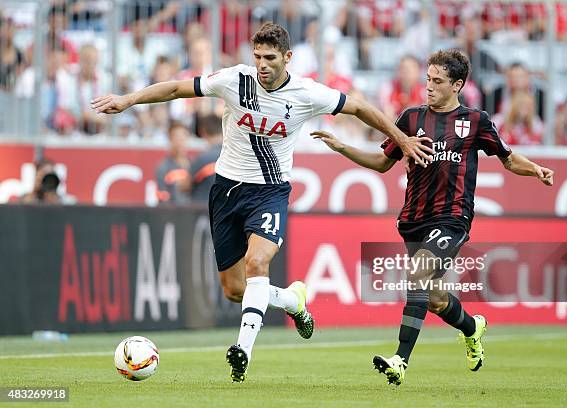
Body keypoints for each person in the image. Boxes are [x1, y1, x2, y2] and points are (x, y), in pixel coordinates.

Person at [91, 22, 432, 383]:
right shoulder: (234, 80)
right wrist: (128, 100)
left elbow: (361, 109)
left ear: (288, 57)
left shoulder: (307, 92)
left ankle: (243, 350)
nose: (262, 65)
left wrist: (402, 139)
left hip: (269, 191)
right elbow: (178, 87)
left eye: (270, 58)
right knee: (235, 289)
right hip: (225, 190)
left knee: (257, 262)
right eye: (257, 57)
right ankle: (292, 301)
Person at [312, 49, 554, 386]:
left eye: (437, 81)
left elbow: (508, 158)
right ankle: (472, 328)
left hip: (453, 217)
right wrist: (342, 148)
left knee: (418, 270)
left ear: (456, 85)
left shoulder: (475, 121)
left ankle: (400, 360)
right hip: (413, 219)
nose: (428, 86)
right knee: (436, 298)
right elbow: (383, 163)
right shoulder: (411, 118)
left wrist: (536, 170)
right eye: (427, 79)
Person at [155, 122, 191, 204]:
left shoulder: (193, 165)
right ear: (170, 140)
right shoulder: (163, 167)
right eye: (177, 138)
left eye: (183, 138)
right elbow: (162, 199)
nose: (180, 142)